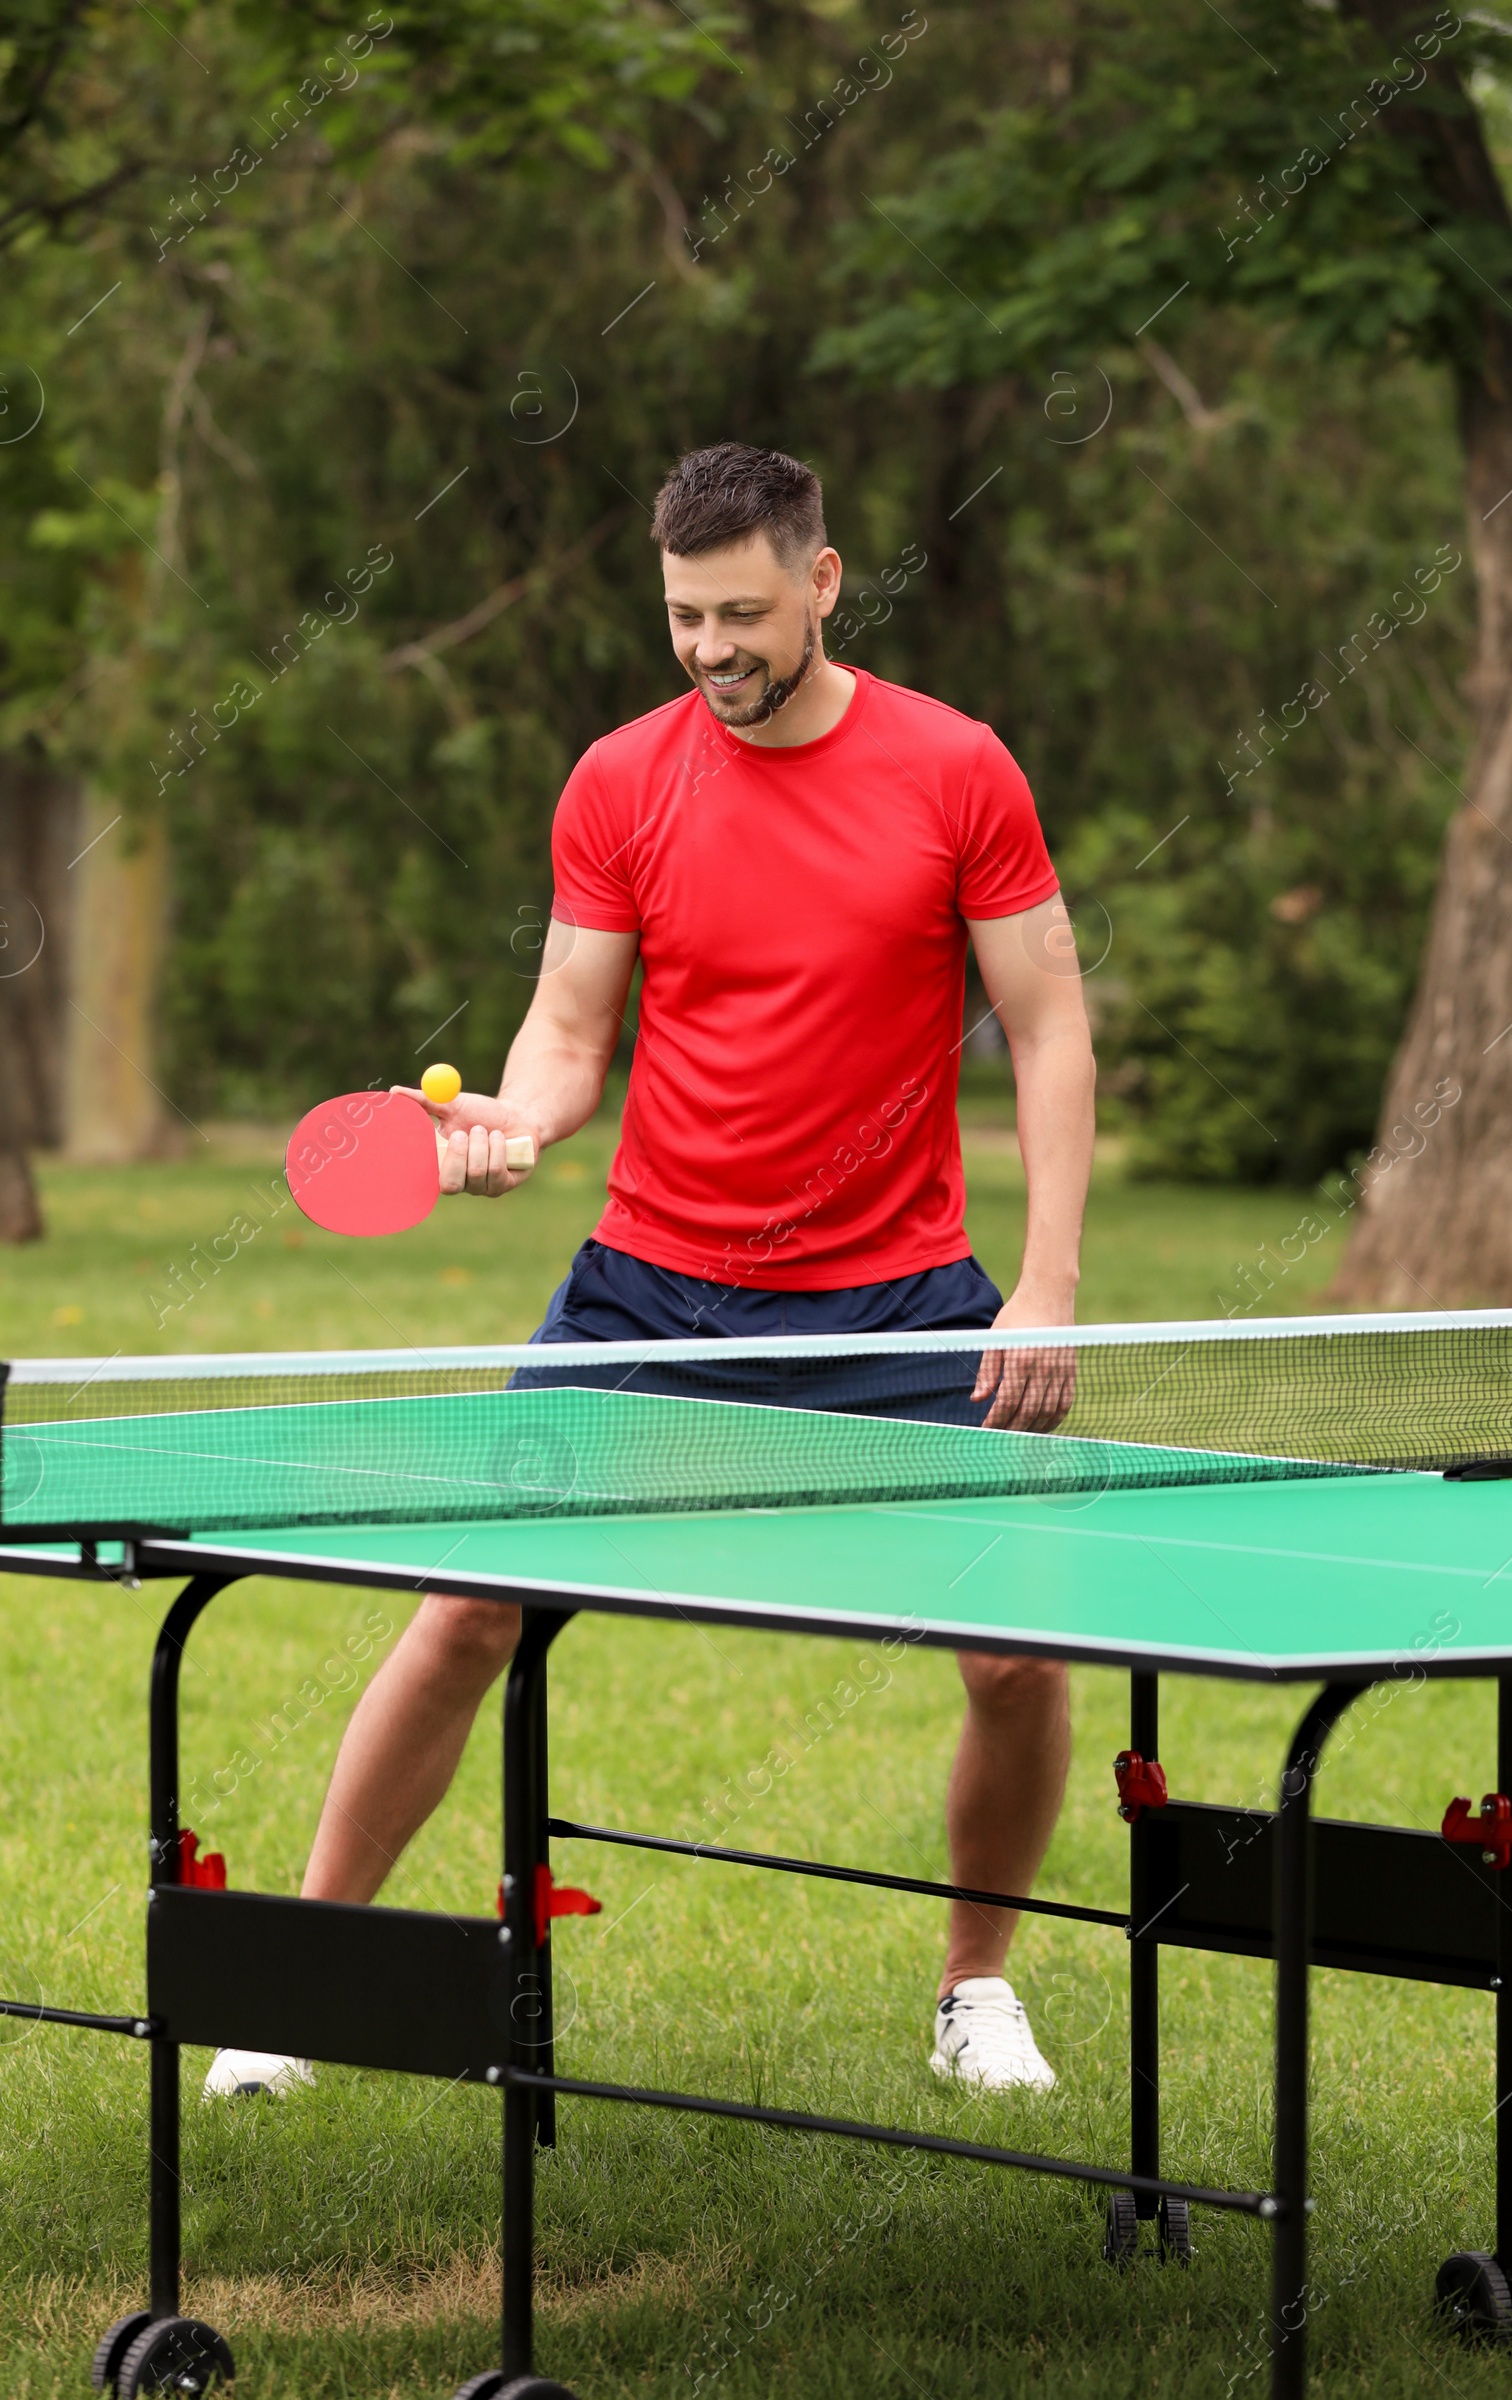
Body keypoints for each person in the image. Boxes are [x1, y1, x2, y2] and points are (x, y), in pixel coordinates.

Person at [206, 442, 1095, 2101]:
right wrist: (515, 1128)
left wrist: (1043, 1287)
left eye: (743, 614)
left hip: (901, 1298)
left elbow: (1046, 1025)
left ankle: (976, 1988)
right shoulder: (620, 779)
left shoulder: (959, 769)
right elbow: (562, 1034)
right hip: (653, 1289)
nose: (711, 650)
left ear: (824, 585)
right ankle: (312, 1975)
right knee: (466, 1609)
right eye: (685, 617)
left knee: (1014, 1652)